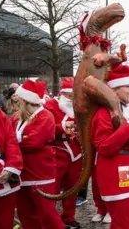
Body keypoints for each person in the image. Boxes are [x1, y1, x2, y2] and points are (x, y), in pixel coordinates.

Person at [91, 65, 129, 229]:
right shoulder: (104, 113)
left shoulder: (128, 110)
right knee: (127, 224)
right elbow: (103, 146)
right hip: (116, 174)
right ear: (115, 89)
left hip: (128, 173)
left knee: (126, 223)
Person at [11, 79, 65, 229]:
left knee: (47, 212)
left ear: (25, 100)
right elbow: (9, 137)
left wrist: (14, 142)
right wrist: (20, 139)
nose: (17, 101)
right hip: (22, 171)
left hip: (41, 172)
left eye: (19, 99)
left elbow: (34, 141)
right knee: (25, 212)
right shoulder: (16, 117)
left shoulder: (46, 116)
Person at [43, 77, 82, 229]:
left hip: (77, 151)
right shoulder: (50, 106)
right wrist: (62, 127)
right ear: (62, 94)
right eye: (68, 95)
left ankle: (68, 216)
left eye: (73, 96)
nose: (71, 99)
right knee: (53, 187)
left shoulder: (80, 107)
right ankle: (49, 219)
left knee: (73, 187)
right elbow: (46, 127)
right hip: (58, 150)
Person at [0, 108, 23, 229]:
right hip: (0, 174)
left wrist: (11, 168)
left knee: (5, 222)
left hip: (7, 178)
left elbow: (11, 141)